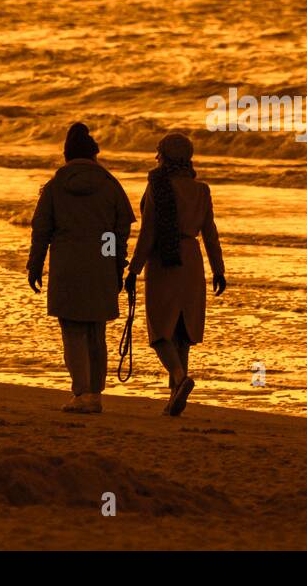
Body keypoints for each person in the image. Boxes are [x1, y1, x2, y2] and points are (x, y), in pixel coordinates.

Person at [28, 123, 134, 414]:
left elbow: (41, 230)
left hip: (66, 265)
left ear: (67, 154)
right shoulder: (111, 184)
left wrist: (35, 265)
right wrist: (114, 264)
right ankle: (95, 394)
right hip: (100, 263)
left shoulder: (55, 185)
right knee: (95, 332)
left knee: (72, 331)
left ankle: (80, 392)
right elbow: (118, 231)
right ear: (94, 154)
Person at [124, 132, 226, 416]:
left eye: (159, 153)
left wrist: (134, 268)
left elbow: (148, 233)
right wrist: (219, 269)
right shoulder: (201, 190)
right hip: (192, 260)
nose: (156, 158)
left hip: (163, 260)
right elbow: (210, 234)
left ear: (164, 156)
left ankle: (179, 379)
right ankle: (174, 398)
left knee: (160, 331)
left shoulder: (158, 186)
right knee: (182, 332)